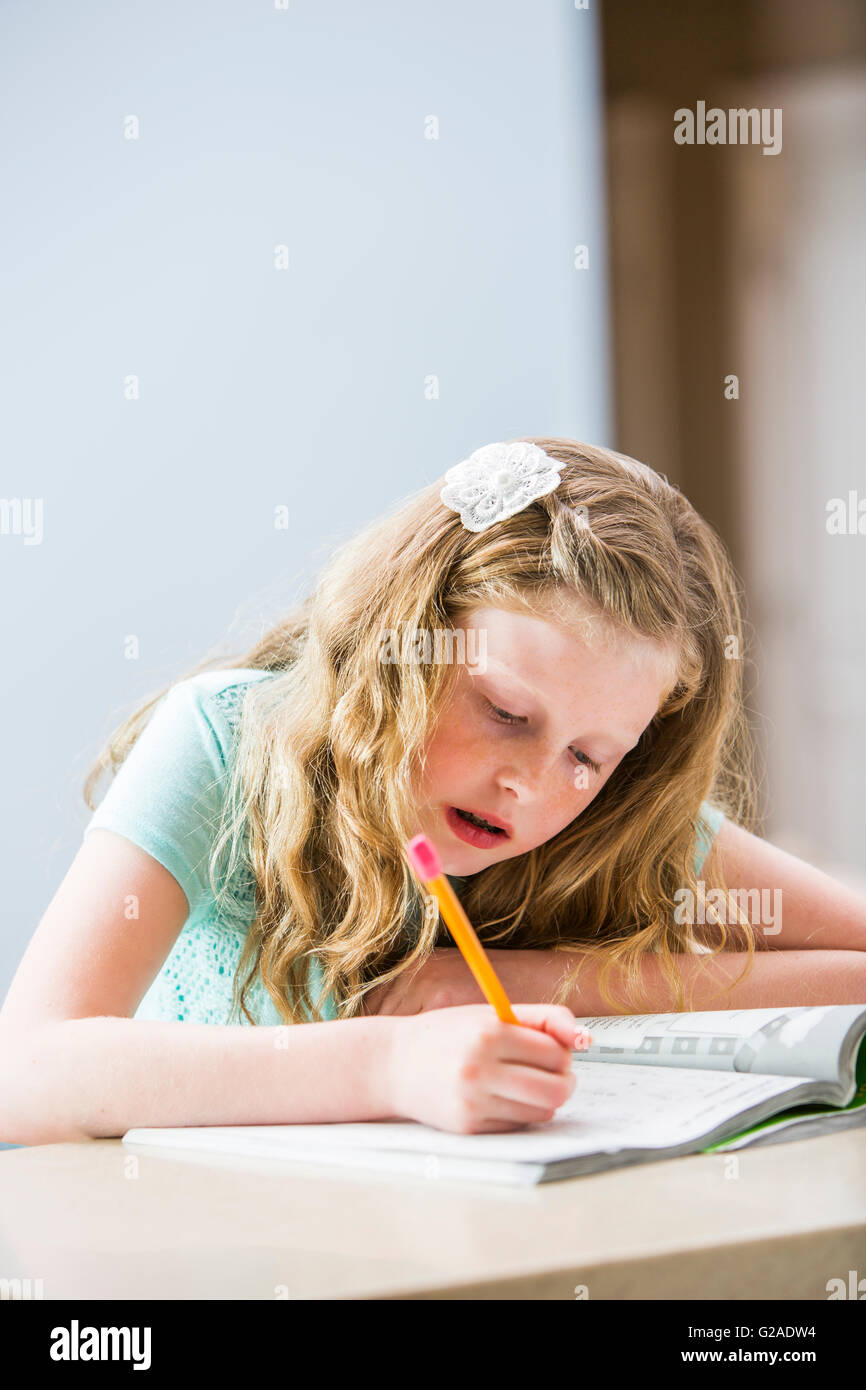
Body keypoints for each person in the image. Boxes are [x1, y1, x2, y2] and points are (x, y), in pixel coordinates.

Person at [2, 438, 864, 1146]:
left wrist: (528, 980)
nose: (529, 783)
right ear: (402, 639)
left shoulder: (612, 813)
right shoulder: (226, 744)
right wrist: (388, 1063)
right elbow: (26, 1073)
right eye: (503, 710)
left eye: (590, 756)